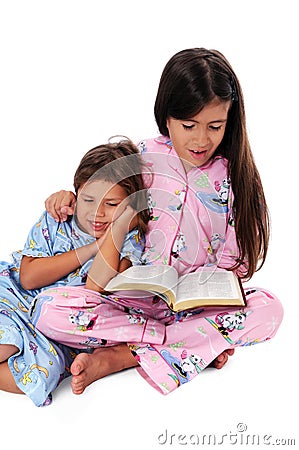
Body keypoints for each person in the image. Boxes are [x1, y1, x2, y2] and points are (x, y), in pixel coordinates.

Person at [42, 47, 283, 397]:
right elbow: (99, 194)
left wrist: (212, 287)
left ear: (230, 120)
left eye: (215, 126)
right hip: (128, 303)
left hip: (195, 308)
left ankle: (123, 355)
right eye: (189, 126)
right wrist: (67, 198)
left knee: (270, 310)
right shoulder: (140, 156)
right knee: (51, 310)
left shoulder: (235, 179)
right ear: (166, 116)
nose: (201, 140)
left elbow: (240, 265)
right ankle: (192, 347)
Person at [0, 138, 149, 406]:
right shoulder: (59, 219)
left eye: (112, 204)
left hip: (57, 327)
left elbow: (98, 284)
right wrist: (94, 246)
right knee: (5, 343)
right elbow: (29, 278)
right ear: (76, 192)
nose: (97, 213)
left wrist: (117, 230)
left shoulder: (128, 239)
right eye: (88, 199)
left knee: (42, 376)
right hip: (14, 297)